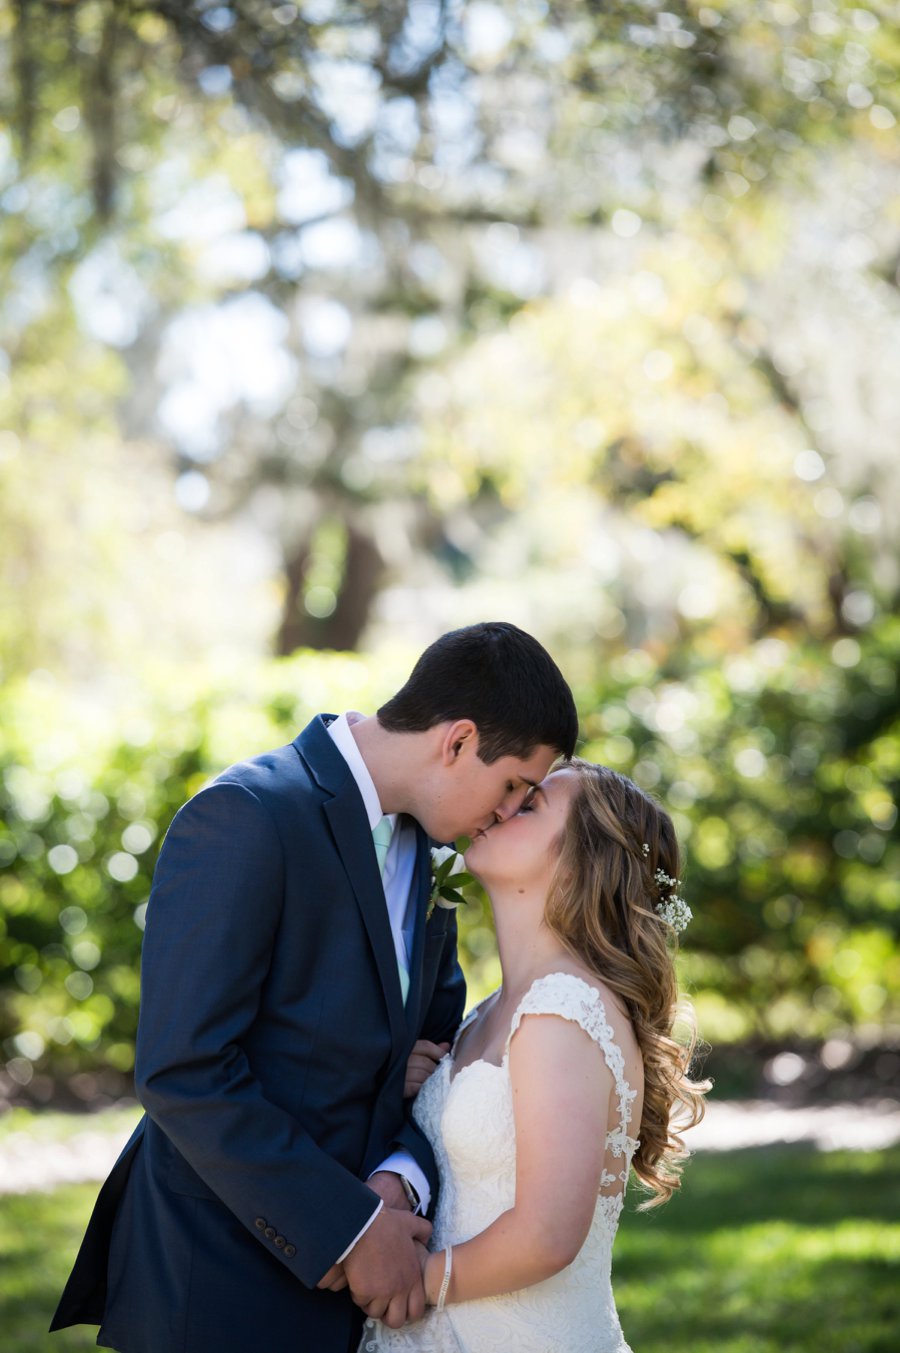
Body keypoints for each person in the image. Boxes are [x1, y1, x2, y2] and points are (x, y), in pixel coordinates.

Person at [50, 622, 578, 1353]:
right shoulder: (247, 815)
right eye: (515, 784)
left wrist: (398, 1181)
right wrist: (350, 1230)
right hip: (218, 1283)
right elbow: (183, 1069)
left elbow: (429, 1051)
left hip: (358, 1298)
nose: (510, 811)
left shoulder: (427, 849)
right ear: (457, 741)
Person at [359, 759, 710, 1353]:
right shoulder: (497, 1007)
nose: (499, 805)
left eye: (528, 805)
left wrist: (412, 1279)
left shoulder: (562, 1010)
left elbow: (547, 1234)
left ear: (580, 861)